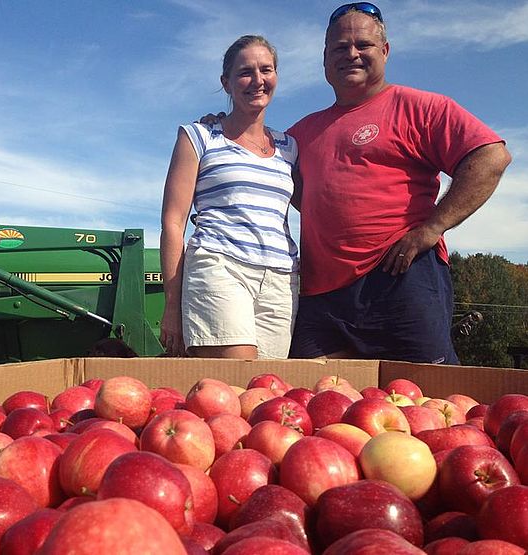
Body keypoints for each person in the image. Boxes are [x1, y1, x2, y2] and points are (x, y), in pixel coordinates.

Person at [285, 3, 512, 363]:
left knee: (425, 400)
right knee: (311, 401)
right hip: (321, 293)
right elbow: (262, 167)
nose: (352, 54)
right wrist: (224, 125)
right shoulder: (301, 132)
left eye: (363, 45)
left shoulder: (421, 108)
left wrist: (432, 227)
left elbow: (491, 156)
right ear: (325, 58)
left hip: (401, 275)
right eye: (340, 47)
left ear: (385, 51)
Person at [160, 35, 299, 359]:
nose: (258, 80)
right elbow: (173, 221)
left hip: (279, 278)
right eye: (245, 72)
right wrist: (172, 303)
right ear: (227, 82)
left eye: (266, 69)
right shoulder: (198, 136)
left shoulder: (289, 147)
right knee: (235, 381)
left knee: (268, 392)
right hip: (219, 266)